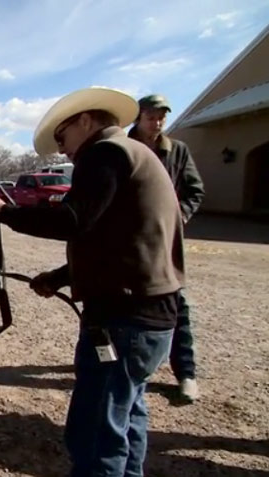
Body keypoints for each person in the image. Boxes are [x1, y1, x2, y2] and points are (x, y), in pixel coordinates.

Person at [0, 87, 185, 477]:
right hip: (150, 316)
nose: (62, 151)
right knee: (125, 420)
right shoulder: (136, 155)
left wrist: (6, 213)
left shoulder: (106, 154)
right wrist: (59, 278)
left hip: (123, 319)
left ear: (86, 121)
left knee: (93, 434)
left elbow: (74, 220)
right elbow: (115, 238)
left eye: (62, 138)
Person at [129, 94, 205, 402]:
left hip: (163, 242)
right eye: (151, 116)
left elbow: (194, 190)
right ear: (138, 117)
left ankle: (185, 373)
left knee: (176, 304)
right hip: (127, 240)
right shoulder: (124, 148)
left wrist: (180, 215)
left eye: (162, 116)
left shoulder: (177, 151)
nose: (157, 122)